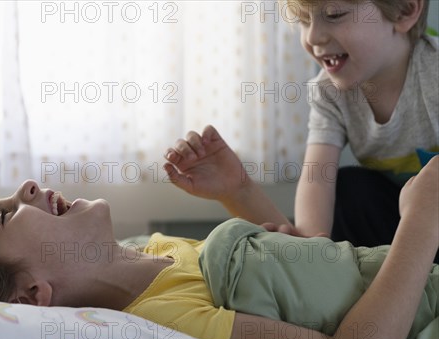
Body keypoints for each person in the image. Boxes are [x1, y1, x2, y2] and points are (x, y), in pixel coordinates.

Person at [0, 155, 439, 339]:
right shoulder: (169, 324)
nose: (25, 187)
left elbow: (310, 277)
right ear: (31, 296)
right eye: (4, 218)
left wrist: (240, 194)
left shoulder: (153, 248)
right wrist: (419, 221)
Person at [165, 0, 438, 248]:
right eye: (304, 21)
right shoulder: (329, 93)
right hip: (405, 220)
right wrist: (309, 243)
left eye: (335, 14)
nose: (312, 37)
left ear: (403, 11)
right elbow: (315, 197)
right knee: (350, 190)